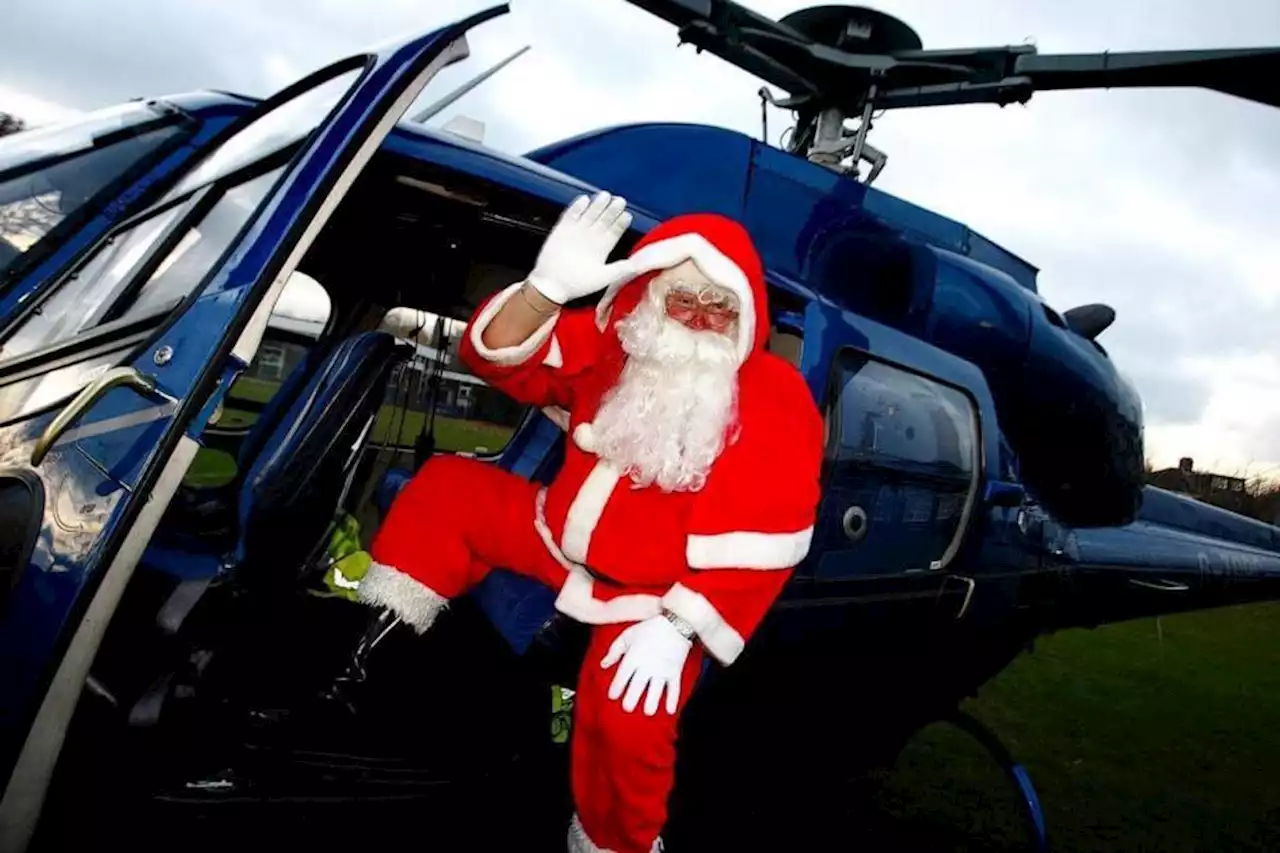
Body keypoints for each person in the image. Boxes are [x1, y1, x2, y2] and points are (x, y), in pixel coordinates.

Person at [358, 191, 824, 853]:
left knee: (630, 721)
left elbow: (769, 529)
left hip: (650, 595)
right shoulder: (616, 345)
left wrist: (679, 625)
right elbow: (494, 358)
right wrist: (544, 293)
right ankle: (366, 654)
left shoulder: (771, 394)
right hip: (551, 535)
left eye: (719, 306)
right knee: (446, 489)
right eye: (683, 299)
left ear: (745, 312)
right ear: (652, 295)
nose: (697, 320)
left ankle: (617, 842)